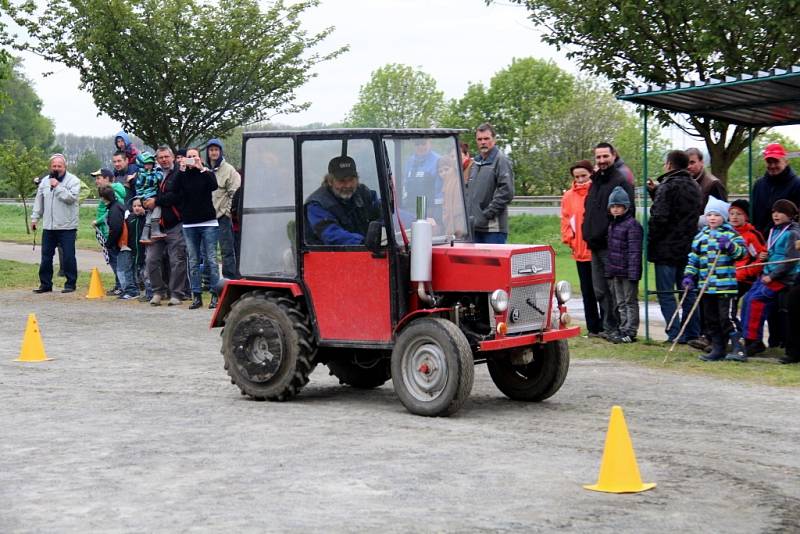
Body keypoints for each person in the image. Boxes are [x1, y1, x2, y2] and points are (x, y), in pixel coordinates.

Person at [647, 149, 703, 344]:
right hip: (688, 247)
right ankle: (692, 332)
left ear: (669, 165)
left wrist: (651, 241)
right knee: (687, 291)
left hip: (666, 250)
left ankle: (674, 333)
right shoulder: (695, 186)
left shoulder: (667, 186)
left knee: (666, 293)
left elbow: (660, 217)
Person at [582, 142, 635, 340]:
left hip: (611, 245)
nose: (602, 161)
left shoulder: (620, 181)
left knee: (615, 290)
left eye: (605, 156)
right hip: (594, 244)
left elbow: (628, 213)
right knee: (600, 290)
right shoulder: (596, 181)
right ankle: (608, 327)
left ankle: (621, 329)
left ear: (613, 156)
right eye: (598, 157)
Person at [682, 197, 746, 361]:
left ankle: (739, 348)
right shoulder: (700, 236)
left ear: (723, 217)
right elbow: (693, 259)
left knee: (727, 318)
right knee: (711, 319)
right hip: (706, 286)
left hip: (725, 286)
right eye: (709, 214)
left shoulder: (731, 234)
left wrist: (730, 247)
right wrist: (689, 275)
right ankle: (718, 349)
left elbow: (742, 253)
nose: (712, 218)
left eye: (716, 215)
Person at [751, 143, 800, 348]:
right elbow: (755, 214)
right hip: (765, 243)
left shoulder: (796, 184)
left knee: (782, 296)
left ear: (784, 160)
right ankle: (771, 338)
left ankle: (783, 338)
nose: (772, 165)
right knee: (763, 292)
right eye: (769, 161)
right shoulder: (760, 185)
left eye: (776, 161)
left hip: (787, 244)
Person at [740, 200, 800, 358]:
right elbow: (770, 250)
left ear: (791, 215)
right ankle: (747, 338)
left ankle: (755, 342)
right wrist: (764, 256)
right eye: (774, 212)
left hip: (782, 278)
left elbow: (791, 261)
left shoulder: (793, 233)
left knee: (756, 300)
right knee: (747, 298)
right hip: (767, 274)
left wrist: (772, 276)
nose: (776, 215)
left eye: (780, 212)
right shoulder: (774, 230)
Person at [560, 160, 602, 336]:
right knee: (587, 291)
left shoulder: (596, 191)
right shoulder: (569, 196)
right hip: (579, 251)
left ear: (591, 174)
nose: (580, 180)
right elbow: (565, 221)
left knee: (601, 290)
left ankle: (606, 324)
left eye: (584, 175)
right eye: (577, 177)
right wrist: (571, 240)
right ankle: (593, 327)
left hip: (596, 249)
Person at [144, 146, 189, 306]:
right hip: (156, 224)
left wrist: (156, 201)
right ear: (157, 159)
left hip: (175, 223)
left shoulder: (179, 173)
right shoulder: (152, 175)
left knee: (177, 260)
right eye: (160, 157)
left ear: (172, 157)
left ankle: (176, 294)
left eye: (166, 156)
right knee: (151, 260)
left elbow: (177, 196)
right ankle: (158, 291)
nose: (163, 160)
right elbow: (146, 191)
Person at [176, 147, 220, 309]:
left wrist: (201, 169)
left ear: (200, 158)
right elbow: (175, 190)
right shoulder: (182, 175)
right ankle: (197, 296)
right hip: (189, 223)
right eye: (189, 157)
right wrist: (181, 169)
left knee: (211, 260)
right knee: (193, 261)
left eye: (195, 156)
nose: (192, 159)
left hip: (208, 222)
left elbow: (214, 186)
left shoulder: (206, 173)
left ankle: (215, 295)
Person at [31, 154, 81, 294]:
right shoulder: (45, 182)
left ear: (65, 167)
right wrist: (35, 218)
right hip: (49, 226)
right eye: (54, 166)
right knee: (46, 256)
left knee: (68, 256)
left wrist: (58, 186)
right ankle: (45, 284)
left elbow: (71, 198)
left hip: (67, 226)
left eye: (59, 166)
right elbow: (39, 201)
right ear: (50, 167)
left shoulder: (73, 181)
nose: (57, 168)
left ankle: (70, 284)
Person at [305, 155, 381, 245]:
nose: (348, 185)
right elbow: (331, 235)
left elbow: (381, 213)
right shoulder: (317, 204)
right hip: (330, 256)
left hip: (365, 252)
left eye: (351, 180)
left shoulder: (363, 193)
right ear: (330, 181)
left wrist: (384, 231)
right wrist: (363, 242)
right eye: (342, 181)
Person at [604, 186, 643, 343]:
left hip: (628, 272)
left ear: (626, 207)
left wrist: (633, 273)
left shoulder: (632, 225)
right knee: (620, 302)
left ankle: (630, 330)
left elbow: (634, 251)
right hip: (616, 271)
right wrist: (609, 270)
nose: (615, 209)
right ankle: (623, 327)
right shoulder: (613, 225)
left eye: (618, 206)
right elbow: (611, 251)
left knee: (629, 301)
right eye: (613, 206)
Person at [465, 123, 514, 244]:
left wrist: (487, 214)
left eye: (486, 138)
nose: (483, 142)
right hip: (474, 228)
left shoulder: (501, 160)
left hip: (493, 229)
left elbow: (507, 191)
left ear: (494, 139)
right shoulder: (475, 163)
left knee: (491, 264)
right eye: (480, 139)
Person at [206, 138, 241, 279]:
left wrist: (227, 212)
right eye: (211, 150)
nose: (213, 153)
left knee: (227, 250)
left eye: (216, 150)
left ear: (220, 152)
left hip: (223, 217)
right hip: (207, 217)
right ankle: (210, 281)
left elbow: (235, 192)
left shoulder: (229, 170)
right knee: (208, 252)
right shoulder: (204, 169)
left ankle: (230, 278)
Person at [99, 185, 137, 300]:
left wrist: (109, 243)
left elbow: (116, 228)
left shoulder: (114, 209)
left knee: (123, 268)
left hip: (123, 243)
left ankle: (131, 291)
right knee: (125, 267)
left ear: (104, 198)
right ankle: (128, 289)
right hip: (126, 242)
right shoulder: (119, 206)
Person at [133, 151, 166, 244]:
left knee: (149, 215)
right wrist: (159, 169)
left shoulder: (141, 173)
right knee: (158, 207)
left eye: (151, 164)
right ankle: (155, 230)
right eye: (147, 164)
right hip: (148, 196)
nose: (149, 166)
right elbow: (158, 178)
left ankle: (144, 235)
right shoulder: (144, 174)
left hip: (145, 196)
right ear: (142, 164)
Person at [436, 156, 467, 238]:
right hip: (450, 229)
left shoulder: (457, 184)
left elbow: (457, 211)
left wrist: (456, 232)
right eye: (440, 171)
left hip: (458, 230)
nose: (443, 173)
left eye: (446, 169)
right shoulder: (445, 185)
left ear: (453, 168)